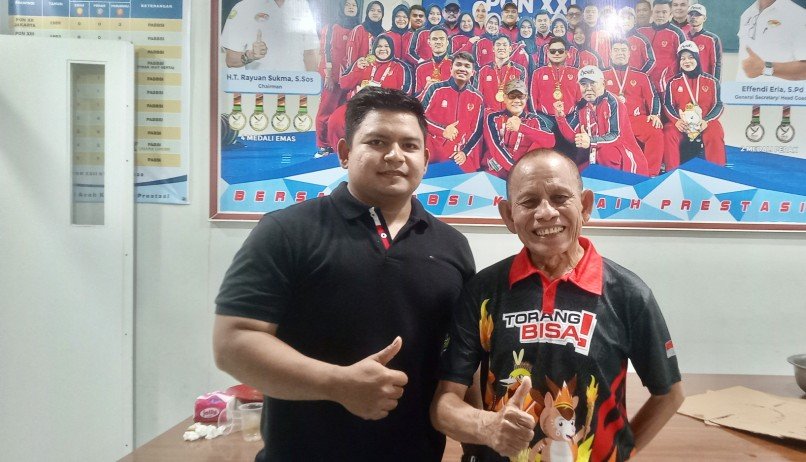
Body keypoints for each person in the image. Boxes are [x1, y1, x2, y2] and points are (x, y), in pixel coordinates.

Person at [214, 86, 475, 461]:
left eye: (409, 145)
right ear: (344, 153)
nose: (395, 155)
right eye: (377, 142)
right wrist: (337, 384)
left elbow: (464, 359)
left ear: (425, 159)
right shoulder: (287, 231)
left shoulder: (453, 247)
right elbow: (232, 344)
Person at [430, 148, 684, 461]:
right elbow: (443, 407)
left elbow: (670, 395)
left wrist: (621, 453)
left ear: (585, 206)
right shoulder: (483, 291)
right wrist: (488, 427)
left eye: (560, 198)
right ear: (509, 215)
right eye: (529, 201)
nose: (546, 212)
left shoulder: (629, 294)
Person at [327, 34, 414, 156]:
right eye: (379, 46)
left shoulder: (401, 67)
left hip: (384, 108)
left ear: (392, 48)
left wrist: (380, 93)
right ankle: (341, 154)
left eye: (386, 46)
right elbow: (344, 84)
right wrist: (357, 68)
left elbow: (406, 92)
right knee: (335, 120)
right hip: (357, 104)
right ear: (374, 48)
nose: (382, 49)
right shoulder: (364, 62)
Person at [555, 66, 649, 174]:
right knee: (574, 171)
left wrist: (590, 141)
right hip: (593, 155)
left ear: (603, 84)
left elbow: (615, 136)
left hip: (625, 158)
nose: (588, 88)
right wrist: (560, 118)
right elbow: (573, 138)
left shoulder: (613, 102)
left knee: (606, 153)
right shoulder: (581, 106)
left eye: (593, 83)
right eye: (584, 84)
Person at [604, 39, 665, 175]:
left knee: (655, 131)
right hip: (611, 121)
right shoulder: (602, 75)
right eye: (616, 50)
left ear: (629, 53)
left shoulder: (641, 76)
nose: (620, 53)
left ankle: (649, 174)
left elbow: (653, 97)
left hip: (635, 119)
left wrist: (655, 114)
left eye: (623, 50)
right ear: (610, 53)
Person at [663, 41, 725, 170]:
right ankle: (672, 172)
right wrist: (676, 121)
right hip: (683, 123)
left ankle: (717, 172)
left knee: (715, 131)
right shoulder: (673, 82)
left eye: (690, 57)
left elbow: (718, 105)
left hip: (704, 122)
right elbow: (668, 105)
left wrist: (706, 121)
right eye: (683, 58)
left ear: (697, 58)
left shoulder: (712, 81)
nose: (687, 61)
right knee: (669, 132)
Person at [421, 51, 484, 172]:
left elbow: (476, 130)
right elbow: (418, 118)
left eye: (467, 66)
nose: (462, 69)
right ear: (451, 69)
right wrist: (442, 131)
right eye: (458, 64)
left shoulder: (477, 97)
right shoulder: (435, 88)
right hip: (431, 153)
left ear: (472, 72)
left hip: (458, 155)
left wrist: (465, 152)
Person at [482, 80, 555, 178]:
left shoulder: (534, 119)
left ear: (526, 98)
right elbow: (495, 147)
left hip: (524, 173)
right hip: (498, 171)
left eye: (521, 96)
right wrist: (516, 170)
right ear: (504, 98)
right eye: (512, 96)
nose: (516, 100)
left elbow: (550, 141)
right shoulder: (493, 118)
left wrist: (521, 128)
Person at [315, 0, 361, 156]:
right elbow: (325, 50)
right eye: (348, 5)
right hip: (333, 78)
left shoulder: (358, 29)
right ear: (342, 7)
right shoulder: (331, 27)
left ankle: (338, 144)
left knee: (343, 114)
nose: (351, 8)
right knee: (326, 111)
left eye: (354, 5)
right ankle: (323, 145)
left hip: (349, 80)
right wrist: (328, 74)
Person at [220, 0, 319, 72]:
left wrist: (311, 90)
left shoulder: (302, 5)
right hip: (259, 90)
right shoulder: (243, 7)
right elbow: (230, 59)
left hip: (296, 89)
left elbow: (309, 54)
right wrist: (251, 55)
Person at [737, 0, 806, 81]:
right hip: (744, 88)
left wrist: (766, 68)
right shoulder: (746, 14)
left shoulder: (799, 15)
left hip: (779, 88)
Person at [638, 0, 686, 90]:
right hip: (642, 84)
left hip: (666, 86)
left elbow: (684, 60)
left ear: (670, 14)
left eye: (664, 12)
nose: (660, 15)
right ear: (652, 13)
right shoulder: (641, 31)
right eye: (657, 12)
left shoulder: (677, 34)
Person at [530, 37, 581, 118]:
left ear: (566, 53)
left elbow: (580, 99)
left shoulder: (576, 73)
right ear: (548, 53)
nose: (556, 54)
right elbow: (533, 97)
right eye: (553, 51)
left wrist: (577, 117)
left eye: (560, 51)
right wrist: (536, 117)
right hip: (545, 117)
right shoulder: (538, 73)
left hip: (570, 117)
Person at [477, 35, 528, 113]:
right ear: (493, 49)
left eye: (504, 45)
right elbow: (478, 98)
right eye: (498, 45)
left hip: (511, 115)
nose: (501, 47)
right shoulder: (483, 71)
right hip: (488, 116)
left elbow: (522, 96)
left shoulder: (520, 70)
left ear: (510, 49)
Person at [686, 4, 722, 81]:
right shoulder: (681, 37)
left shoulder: (712, 39)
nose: (693, 17)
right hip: (684, 82)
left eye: (697, 14)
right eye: (691, 14)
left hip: (704, 82)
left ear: (704, 18)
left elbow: (716, 65)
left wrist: (715, 84)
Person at [414, 27, 453, 96]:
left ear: (447, 42)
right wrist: (426, 89)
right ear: (429, 43)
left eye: (441, 39)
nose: (438, 42)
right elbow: (416, 99)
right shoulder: (420, 68)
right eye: (435, 39)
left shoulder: (456, 64)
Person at [346, 1, 385, 66]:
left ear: (382, 15)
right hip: (360, 69)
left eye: (379, 11)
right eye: (372, 10)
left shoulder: (384, 33)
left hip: (378, 70)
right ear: (367, 12)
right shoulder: (358, 30)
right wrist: (354, 69)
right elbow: (351, 57)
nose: (376, 13)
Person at [619, 6, 655, 74]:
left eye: (629, 18)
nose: (626, 21)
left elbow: (651, 61)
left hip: (635, 79)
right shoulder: (615, 40)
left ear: (635, 21)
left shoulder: (642, 40)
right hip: (619, 78)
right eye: (623, 18)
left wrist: (640, 75)